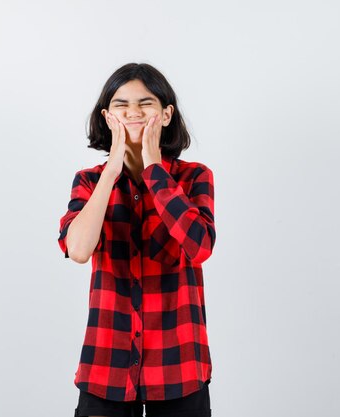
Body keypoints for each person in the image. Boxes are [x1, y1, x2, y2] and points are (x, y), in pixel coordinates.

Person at [57, 62, 215, 417]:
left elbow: (199, 246)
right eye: (121, 104)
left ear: (166, 114)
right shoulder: (89, 181)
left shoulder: (194, 177)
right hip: (106, 369)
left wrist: (153, 168)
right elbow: (78, 250)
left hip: (179, 368)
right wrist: (112, 169)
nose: (133, 112)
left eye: (146, 104)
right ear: (106, 115)